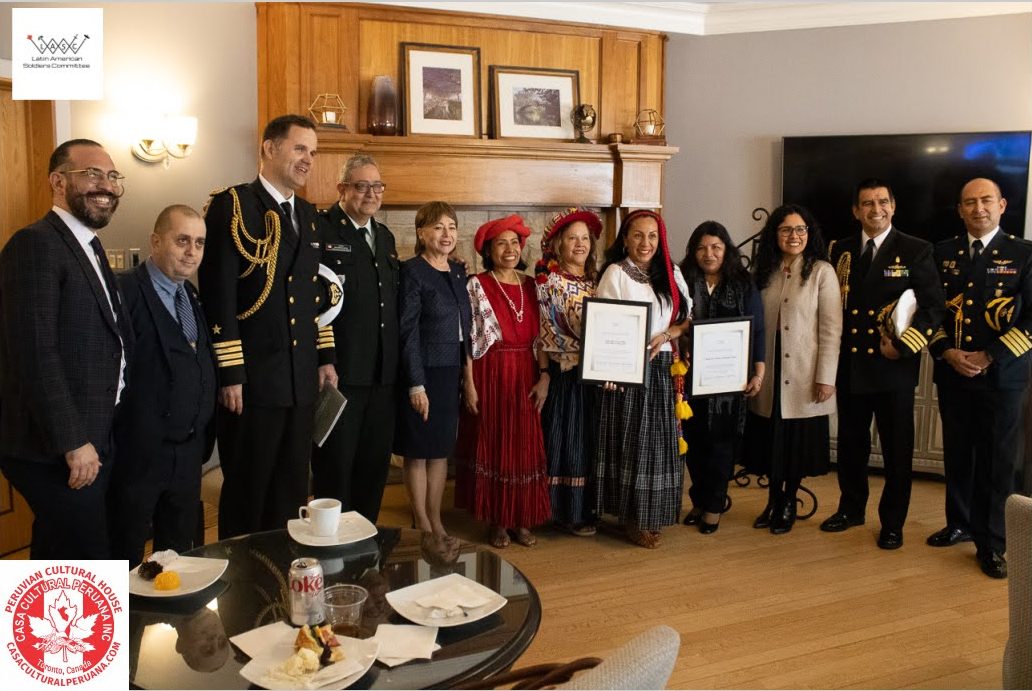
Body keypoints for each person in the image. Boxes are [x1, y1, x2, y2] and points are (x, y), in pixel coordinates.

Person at [200, 114, 338, 539]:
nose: (307, 160)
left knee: (292, 491)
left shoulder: (310, 216)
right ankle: (241, 588)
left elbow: (316, 295)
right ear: (269, 148)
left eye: (312, 153)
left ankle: (282, 581)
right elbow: (218, 297)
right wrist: (231, 374)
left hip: (299, 382)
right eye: (300, 149)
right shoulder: (234, 205)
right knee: (248, 491)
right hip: (253, 383)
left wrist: (325, 358)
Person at [0, 139, 131, 558]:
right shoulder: (35, 244)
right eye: (92, 174)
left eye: (112, 177)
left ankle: (49, 627)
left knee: (62, 552)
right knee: (83, 556)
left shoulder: (87, 246)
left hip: (93, 435)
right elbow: (34, 353)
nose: (106, 186)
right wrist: (73, 441)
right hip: (55, 447)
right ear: (58, 181)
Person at [822, 178, 946, 549]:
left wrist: (904, 346)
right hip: (851, 367)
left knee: (896, 452)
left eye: (882, 203)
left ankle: (892, 522)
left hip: (892, 370)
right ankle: (851, 508)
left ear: (893, 206)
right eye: (867, 204)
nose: (875, 210)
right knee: (850, 445)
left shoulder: (916, 249)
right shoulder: (839, 250)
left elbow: (933, 307)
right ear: (855, 211)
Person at [927, 178, 1032, 578]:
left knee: (996, 460)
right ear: (959, 210)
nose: (978, 208)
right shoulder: (942, 253)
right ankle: (959, 523)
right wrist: (945, 352)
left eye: (986, 200)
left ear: (1002, 205)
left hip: (1002, 378)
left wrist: (991, 355)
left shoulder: (1023, 254)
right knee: (958, 453)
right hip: (954, 373)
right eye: (969, 202)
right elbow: (931, 310)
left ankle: (993, 543)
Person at [109, 205, 217, 566]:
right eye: (182, 240)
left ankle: (170, 624)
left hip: (186, 454)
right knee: (122, 551)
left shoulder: (191, 296)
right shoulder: (124, 292)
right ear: (156, 241)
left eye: (199, 243)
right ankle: (119, 622)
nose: (192, 252)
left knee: (179, 556)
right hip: (137, 455)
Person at [595, 210, 691, 548]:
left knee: (661, 444)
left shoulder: (672, 272)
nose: (645, 243)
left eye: (652, 236)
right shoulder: (616, 274)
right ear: (625, 238)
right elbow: (603, 326)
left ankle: (655, 513)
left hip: (664, 366)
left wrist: (667, 336)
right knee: (633, 442)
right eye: (638, 235)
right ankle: (633, 517)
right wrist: (608, 370)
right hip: (628, 369)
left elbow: (686, 320)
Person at [313, 154, 399, 523]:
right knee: (336, 468)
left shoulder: (385, 236)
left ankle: (365, 545)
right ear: (342, 189)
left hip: (382, 376)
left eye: (377, 186)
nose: (370, 194)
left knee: (373, 468)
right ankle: (332, 554)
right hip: (341, 373)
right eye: (362, 186)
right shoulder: (321, 230)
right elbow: (312, 304)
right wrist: (324, 358)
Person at [745, 205, 841, 534]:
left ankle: (788, 502)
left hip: (804, 374)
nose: (794, 236)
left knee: (795, 446)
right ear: (775, 235)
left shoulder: (821, 272)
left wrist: (825, 377)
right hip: (769, 373)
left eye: (800, 230)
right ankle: (772, 499)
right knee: (770, 442)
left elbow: (831, 329)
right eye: (786, 230)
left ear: (809, 234)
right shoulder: (764, 271)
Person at [456, 215, 551, 549]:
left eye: (515, 243)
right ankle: (498, 521)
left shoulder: (531, 285)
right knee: (495, 445)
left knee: (524, 447)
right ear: (488, 250)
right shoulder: (476, 285)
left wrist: (544, 376)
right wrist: (468, 383)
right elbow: (467, 341)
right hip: (490, 372)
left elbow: (540, 338)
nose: (509, 250)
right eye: (501, 243)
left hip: (525, 371)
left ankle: (522, 519)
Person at [680, 221, 765, 534]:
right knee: (693, 441)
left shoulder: (743, 283)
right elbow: (672, 322)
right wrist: (681, 346)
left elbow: (757, 329)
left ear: (726, 249)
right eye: (702, 247)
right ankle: (699, 500)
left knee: (721, 445)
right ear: (693, 252)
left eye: (715, 247)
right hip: (690, 379)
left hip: (729, 383)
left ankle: (715, 506)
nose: (709, 253)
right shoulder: (682, 280)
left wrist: (759, 370)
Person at [395, 202, 471, 550]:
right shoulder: (411, 271)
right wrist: (415, 383)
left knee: (440, 450)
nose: (446, 234)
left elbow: (466, 330)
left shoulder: (458, 272)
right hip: (422, 372)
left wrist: (467, 378)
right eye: (438, 227)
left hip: (450, 371)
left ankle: (436, 517)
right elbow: (407, 331)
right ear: (422, 232)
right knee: (419, 451)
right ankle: (422, 521)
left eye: (452, 227)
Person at [535, 207, 603, 536]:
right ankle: (567, 512)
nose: (580, 244)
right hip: (567, 374)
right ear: (560, 244)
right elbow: (542, 334)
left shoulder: (599, 280)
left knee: (591, 441)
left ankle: (589, 506)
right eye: (572, 238)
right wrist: (545, 373)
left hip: (598, 373)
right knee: (568, 440)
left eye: (585, 238)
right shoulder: (550, 282)